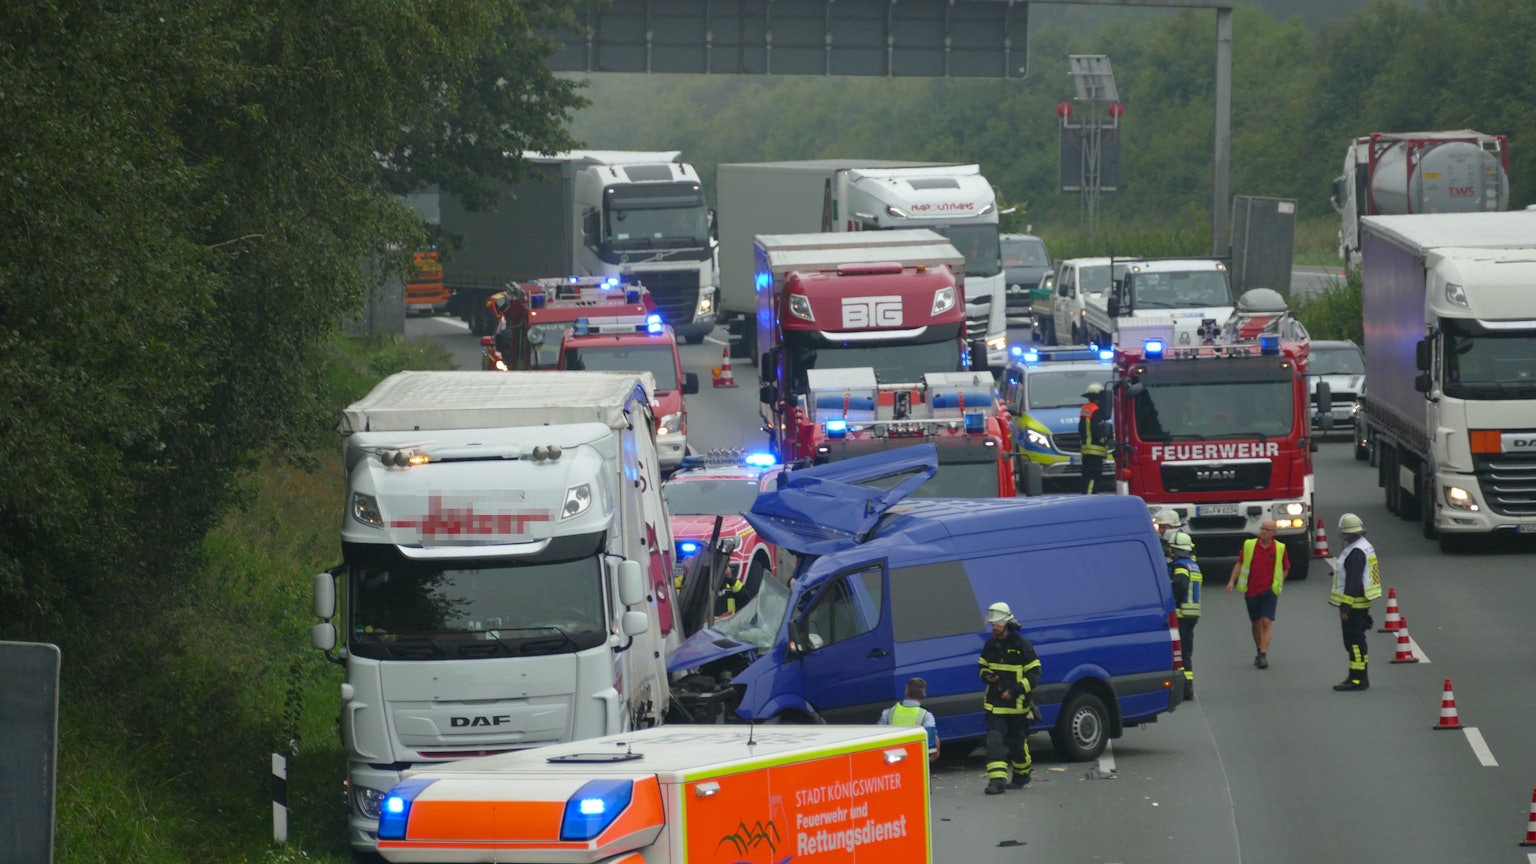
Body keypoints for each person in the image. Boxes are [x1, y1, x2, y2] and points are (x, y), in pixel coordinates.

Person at [978, 601, 1041, 795]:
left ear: (1006, 623)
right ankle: (997, 781)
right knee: (994, 741)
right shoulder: (990, 645)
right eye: (992, 624)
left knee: (1017, 744)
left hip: (1017, 706)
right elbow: (981, 668)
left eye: (996, 623)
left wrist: (1014, 691)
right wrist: (986, 676)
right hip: (995, 705)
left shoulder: (1022, 645)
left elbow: (1035, 674)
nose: (993, 627)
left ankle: (1022, 775)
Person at [1227, 519, 1289, 669]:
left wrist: (1278, 583)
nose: (1263, 532)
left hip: (1269, 591)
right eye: (1262, 528)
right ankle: (1258, 649)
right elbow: (1240, 563)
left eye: (1267, 530)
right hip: (1251, 590)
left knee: (1266, 622)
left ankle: (1263, 655)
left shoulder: (1280, 548)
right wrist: (1231, 581)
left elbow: (1286, 568)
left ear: (1274, 533)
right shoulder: (1249, 545)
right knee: (1255, 623)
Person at [1330, 513, 1381, 692]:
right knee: (1357, 642)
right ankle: (1358, 677)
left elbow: (1353, 581)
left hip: (1354, 605)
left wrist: (1345, 607)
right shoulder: (1363, 547)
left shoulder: (1355, 552)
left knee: (1353, 643)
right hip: (1361, 603)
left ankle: (1357, 679)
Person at [1165, 531, 1201, 700]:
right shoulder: (1193, 565)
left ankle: (1185, 689)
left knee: (1180, 654)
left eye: (1171, 548)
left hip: (1181, 615)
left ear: (1175, 550)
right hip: (1191, 615)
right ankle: (1187, 688)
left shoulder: (1179, 567)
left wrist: (1169, 601)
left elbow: (1179, 585)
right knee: (1186, 652)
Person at [879, 677, 940, 762]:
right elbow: (931, 740)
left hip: (891, 757)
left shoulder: (888, 712)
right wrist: (936, 752)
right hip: (916, 758)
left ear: (906, 692)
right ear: (924, 695)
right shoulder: (926, 715)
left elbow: (878, 736)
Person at [1078, 383, 1110, 494]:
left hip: (1086, 449)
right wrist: (1106, 438)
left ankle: (1086, 494)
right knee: (1094, 476)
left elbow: (1082, 429)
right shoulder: (1097, 410)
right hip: (1095, 449)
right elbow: (1097, 430)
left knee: (1086, 476)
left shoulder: (1085, 409)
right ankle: (1090, 497)